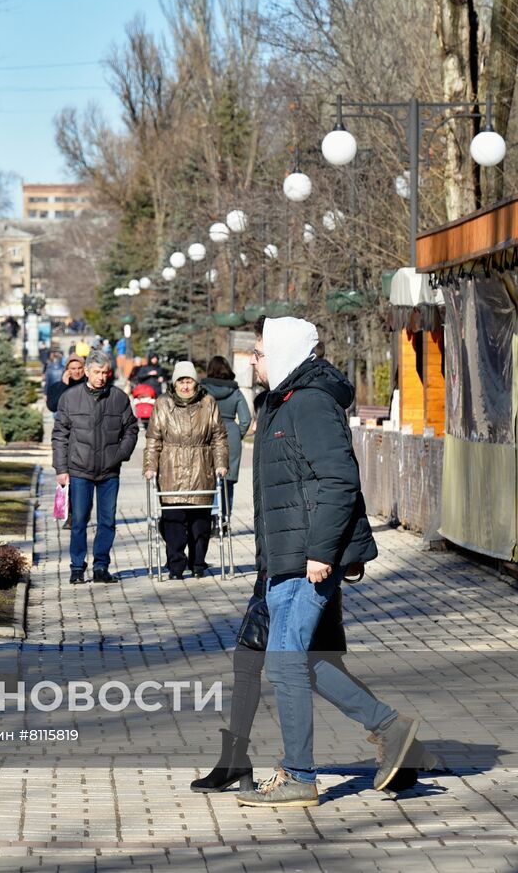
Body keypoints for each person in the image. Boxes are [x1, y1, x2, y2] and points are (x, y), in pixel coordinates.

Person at [237, 317, 419, 808]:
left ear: (282, 353)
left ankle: (299, 775)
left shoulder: (310, 403)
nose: (252, 360)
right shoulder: (283, 402)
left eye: (258, 352)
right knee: (307, 662)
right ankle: (391, 727)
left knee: (285, 662)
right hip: (287, 557)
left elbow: (339, 480)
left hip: (307, 560)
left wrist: (321, 552)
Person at [190, 566, 435, 797]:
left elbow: (338, 522)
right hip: (285, 567)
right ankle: (398, 738)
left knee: (306, 665)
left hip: (300, 573)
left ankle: (392, 731)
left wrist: (328, 557)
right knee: (259, 658)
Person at [51, 351, 139, 584]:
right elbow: (59, 435)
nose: (101, 377)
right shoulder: (70, 398)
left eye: (105, 373)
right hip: (80, 470)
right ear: (87, 371)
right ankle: (77, 568)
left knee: (107, 521)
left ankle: (101, 567)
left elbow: (131, 428)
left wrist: (120, 454)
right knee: (79, 520)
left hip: (109, 471)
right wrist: (61, 469)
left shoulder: (118, 398)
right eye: (97, 372)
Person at [143, 362, 228, 579]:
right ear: (174, 383)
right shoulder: (163, 404)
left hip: (201, 470)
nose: (185, 386)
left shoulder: (208, 403)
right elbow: (154, 439)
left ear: (195, 382)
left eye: (189, 381)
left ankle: (198, 563)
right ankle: (176, 566)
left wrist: (221, 463)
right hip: (172, 470)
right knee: (174, 524)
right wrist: (150, 466)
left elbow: (219, 436)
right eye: (181, 381)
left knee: (200, 524)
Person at [200, 355, 252, 522]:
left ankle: (212, 517)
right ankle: (225, 519)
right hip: (231, 435)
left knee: (209, 479)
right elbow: (246, 419)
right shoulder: (235, 391)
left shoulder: (202, 390)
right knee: (227, 480)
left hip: (208, 435)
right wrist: (238, 434)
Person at [43, 355, 86, 420]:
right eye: (73, 368)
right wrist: (64, 385)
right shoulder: (57, 386)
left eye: (79, 368)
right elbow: (52, 407)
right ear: (67, 370)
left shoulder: (89, 385)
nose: (77, 371)